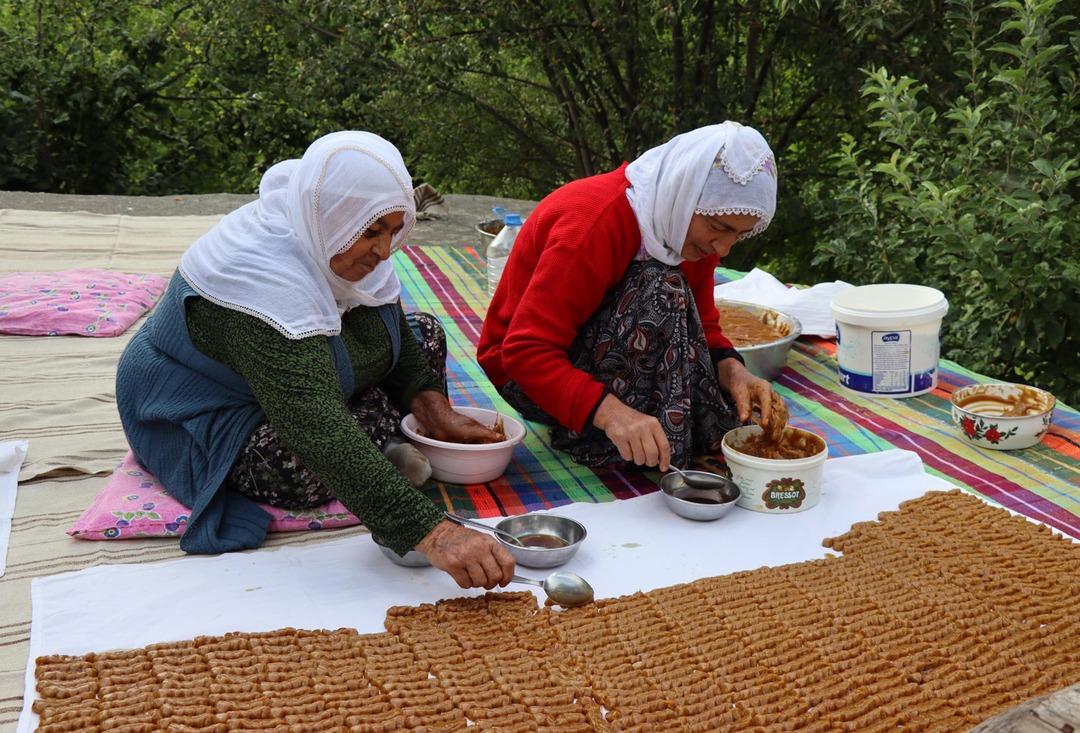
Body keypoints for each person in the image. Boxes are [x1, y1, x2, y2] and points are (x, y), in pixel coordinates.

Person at [116, 131, 515, 590]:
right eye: (371, 233)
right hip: (203, 407)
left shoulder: (331, 228)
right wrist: (433, 533)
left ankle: (374, 439)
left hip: (289, 376)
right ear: (336, 219)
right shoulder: (258, 278)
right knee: (296, 465)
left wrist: (432, 409)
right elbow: (313, 423)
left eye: (392, 230)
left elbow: (392, 326)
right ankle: (371, 448)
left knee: (423, 334)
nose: (384, 251)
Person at [478, 121, 780, 473]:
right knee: (658, 287)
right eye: (719, 228)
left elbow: (701, 322)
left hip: (592, 356)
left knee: (668, 290)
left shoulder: (685, 231)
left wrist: (733, 372)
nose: (724, 248)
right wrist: (613, 414)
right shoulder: (593, 222)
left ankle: (648, 422)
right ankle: (609, 430)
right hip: (528, 380)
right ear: (684, 192)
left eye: (739, 236)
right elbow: (525, 352)